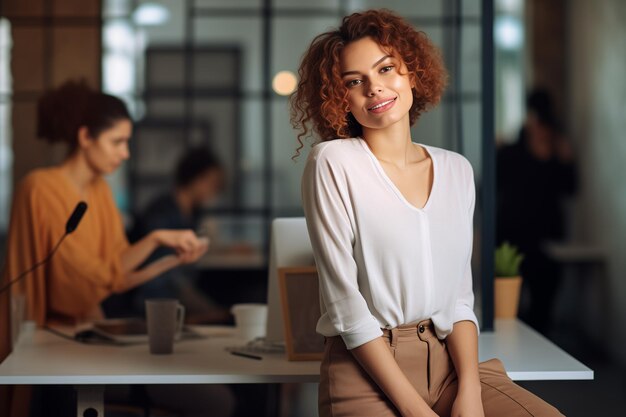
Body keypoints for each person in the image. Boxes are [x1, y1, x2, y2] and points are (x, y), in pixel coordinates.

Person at [293, 10, 564, 417]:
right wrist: (417, 411)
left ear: (413, 74)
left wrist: (469, 391)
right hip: (365, 371)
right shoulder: (333, 162)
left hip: (450, 368)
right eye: (354, 81)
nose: (375, 88)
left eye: (386, 69)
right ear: (340, 98)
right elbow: (346, 308)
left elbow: (458, 300)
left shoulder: (456, 169)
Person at [1, 80, 234, 417]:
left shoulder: (98, 191)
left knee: (215, 393)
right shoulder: (40, 188)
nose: (125, 153)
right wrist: (155, 239)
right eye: (118, 142)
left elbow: (117, 273)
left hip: (88, 337)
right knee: (215, 401)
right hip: (47, 344)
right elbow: (80, 285)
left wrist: (169, 257)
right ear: (85, 138)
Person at [497, 88, 578, 335]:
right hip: (512, 233)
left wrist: (564, 159)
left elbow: (570, 189)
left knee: (545, 294)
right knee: (509, 300)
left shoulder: (557, 150)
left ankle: (538, 340)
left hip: (545, 238)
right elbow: (496, 184)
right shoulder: (513, 150)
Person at [129, 146, 230, 321]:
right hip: (157, 295)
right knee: (220, 317)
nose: (215, 191)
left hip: (179, 289)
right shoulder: (161, 212)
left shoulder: (193, 213)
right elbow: (161, 268)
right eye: (212, 183)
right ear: (196, 179)